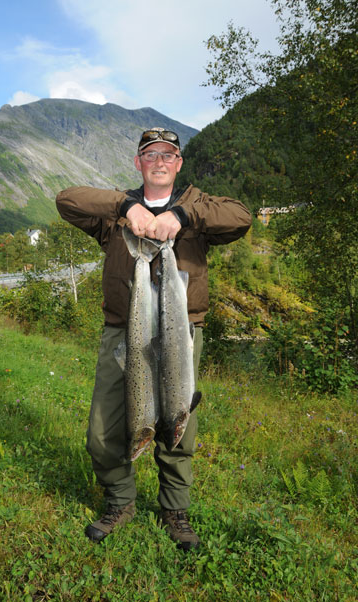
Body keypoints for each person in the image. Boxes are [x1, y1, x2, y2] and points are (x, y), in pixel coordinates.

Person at [56, 127, 252, 551]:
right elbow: (66, 200)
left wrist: (181, 218)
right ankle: (120, 501)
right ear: (138, 163)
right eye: (150, 154)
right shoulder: (114, 213)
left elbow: (241, 217)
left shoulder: (197, 205)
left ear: (178, 163)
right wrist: (127, 207)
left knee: (179, 422)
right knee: (103, 430)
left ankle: (174, 509)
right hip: (123, 332)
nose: (159, 160)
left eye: (168, 154)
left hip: (181, 333)